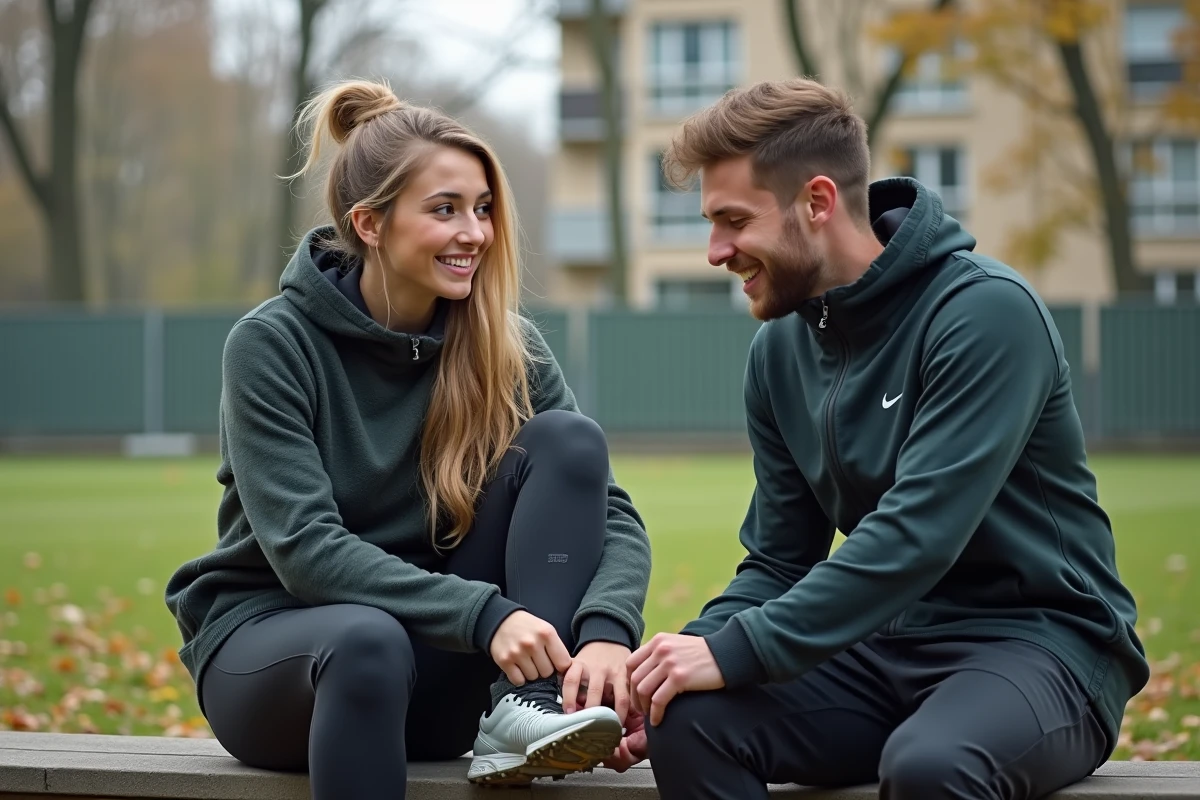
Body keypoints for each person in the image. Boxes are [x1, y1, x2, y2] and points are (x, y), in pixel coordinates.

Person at [604, 77, 1149, 800]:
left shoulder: (984, 314)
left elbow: (918, 534)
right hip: (883, 646)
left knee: (930, 768)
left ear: (818, 202)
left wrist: (736, 650)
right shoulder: (778, 353)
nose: (715, 250)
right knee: (691, 718)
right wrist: (676, 664)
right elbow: (778, 558)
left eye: (733, 220)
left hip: (1040, 644)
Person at [164, 78, 652, 798]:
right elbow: (304, 550)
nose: (476, 233)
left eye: (483, 209)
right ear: (369, 223)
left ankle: (533, 705)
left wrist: (607, 632)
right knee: (368, 640)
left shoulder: (506, 347)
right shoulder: (272, 344)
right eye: (446, 210)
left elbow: (608, 513)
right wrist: (485, 614)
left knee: (568, 442)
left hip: (440, 671)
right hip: (284, 661)